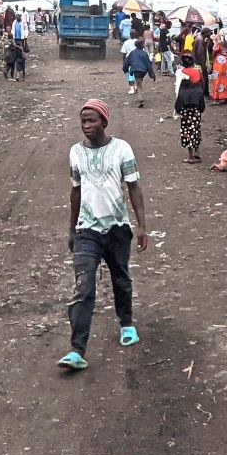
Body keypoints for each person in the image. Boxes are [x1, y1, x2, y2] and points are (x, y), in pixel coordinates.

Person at [62, 99, 149, 372]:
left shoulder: (121, 149)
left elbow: (134, 188)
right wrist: (72, 229)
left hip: (117, 228)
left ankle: (126, 323)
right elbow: (75, 192)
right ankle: (77, 349)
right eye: (83, 121)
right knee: (83, 286)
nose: (87, 126)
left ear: (104, 122)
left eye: (92, 120)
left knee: (120, 277)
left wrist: (141, 225)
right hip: (87, 230)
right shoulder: (75, 153)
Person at [174, 55, 209, 163]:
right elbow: (202, 87)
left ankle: (190, 156)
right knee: (196, 128)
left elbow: (178, 91)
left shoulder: (181, 74)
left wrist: (177, 108)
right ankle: (197, 151)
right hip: (196, 105)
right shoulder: (198, 73)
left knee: (186, 130)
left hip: (185, 106)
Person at [124, 38, 154, 104]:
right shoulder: (144, 54)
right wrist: (152, 74)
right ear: (142, 46)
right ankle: (140, 97)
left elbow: (127, 62)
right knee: (139, 81)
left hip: (135, 70)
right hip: (143, 71)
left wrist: (125, 69)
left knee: (138, 82)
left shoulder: (132, 53)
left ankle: (140, 98)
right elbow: (148, 64)